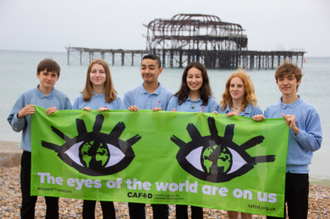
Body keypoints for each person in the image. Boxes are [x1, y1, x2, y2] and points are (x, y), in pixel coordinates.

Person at [252, 62, 322, 219]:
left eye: (290, 78)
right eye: (281, 79)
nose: (285, 83)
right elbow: (263, 144)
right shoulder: (270, 111)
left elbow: (316, 143)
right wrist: (256, 126)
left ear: (298, 81)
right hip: (274, 173)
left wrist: (296, 130)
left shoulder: (310, 111)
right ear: (276, 82)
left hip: (298, 174)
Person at [7, 58, 72, 219]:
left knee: (52, 201)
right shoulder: (25, 96)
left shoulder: (62, 99)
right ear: (38, 75)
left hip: (54, 156)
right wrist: (20, 114)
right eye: (45, 74)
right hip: (31, 156)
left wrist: (60, 117)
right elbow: (15, 126)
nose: (49, 78)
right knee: (28, 200)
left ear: (58, 78)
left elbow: (71, 129)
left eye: (53, 75)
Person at [72, 58, 125, 219]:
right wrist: (81, 115)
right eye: (93, 71)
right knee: (88, 201)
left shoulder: (116, 100)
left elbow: (125, 126)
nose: (97, 75)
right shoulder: (80, 100)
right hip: (86, 156)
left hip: (106, 156)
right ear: (89, 75)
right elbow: (70, 126)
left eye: (101, 72)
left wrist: (110, 116)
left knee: (107, 200)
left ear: (107, 75)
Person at [167, 61, 220, 219]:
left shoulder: (211, 103)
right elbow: (167, 129)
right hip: (179, 157)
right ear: (185, 79)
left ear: (203, 79)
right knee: (180, 199)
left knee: (197, 200)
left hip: (202, 159)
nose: (194, 80)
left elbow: (216, 132)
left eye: (198, 76)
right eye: (190, 76)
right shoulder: (174, 101)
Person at [124, 54, 173, 219]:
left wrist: (163, 119)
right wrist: (130, 116)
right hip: (135, 154)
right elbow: (123, 126)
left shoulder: (169, 96)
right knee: (135, 200)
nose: (147, 71)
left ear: (160, 70)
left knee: (159, 201)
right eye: (144, 67)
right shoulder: (129, 95)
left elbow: (172, 128)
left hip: (160, 155)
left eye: (151, 67)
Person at [215, 69, 262, 219]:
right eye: (232, 85)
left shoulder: (255, 110)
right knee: (231, 203)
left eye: (239, 86)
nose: (235, 89)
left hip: (247, 162)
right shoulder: (221, 109)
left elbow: (259, 138)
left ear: (246, 88)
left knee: (246, 203)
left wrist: (242, 121)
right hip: (227, 161)